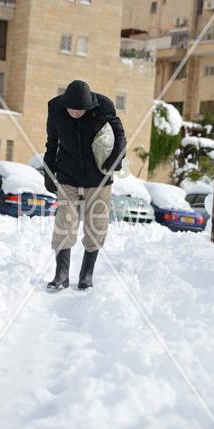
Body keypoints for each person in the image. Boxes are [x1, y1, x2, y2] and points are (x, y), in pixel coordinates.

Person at [43, 79, 126, 290]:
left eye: (81, 110)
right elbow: (52, 143)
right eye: (72, 109)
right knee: (65, 221)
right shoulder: (55, 109)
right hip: (67, 176)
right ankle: (61, 274)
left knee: (96, 225)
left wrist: (115, 159)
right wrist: (48, 171)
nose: (76, 113)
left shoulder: (104, 107)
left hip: (98, 178)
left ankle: (86, 275)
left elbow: (119, 136)